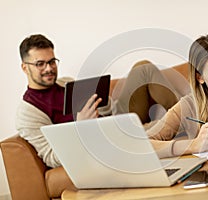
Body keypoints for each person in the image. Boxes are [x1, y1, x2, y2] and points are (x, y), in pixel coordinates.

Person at [16, 34, 188, 168]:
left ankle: (188, 115)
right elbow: (51, 158)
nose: (49, 68)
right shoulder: (28, 113)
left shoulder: (65, 82)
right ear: (25, 67)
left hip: (112, 123)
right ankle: (188, 118)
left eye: (52, 62)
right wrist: (81, 127)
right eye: (40, 64)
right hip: (101, 141)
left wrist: (103, 102)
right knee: (159, 126)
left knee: (143, 68)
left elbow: (108, 113)